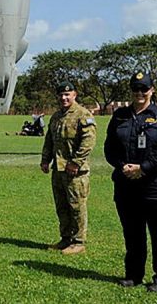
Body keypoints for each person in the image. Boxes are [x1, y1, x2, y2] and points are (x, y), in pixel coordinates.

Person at [104, 72, 157, 292]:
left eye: (144, 89)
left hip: (156, 185)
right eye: (135, 89)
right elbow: (109, 148)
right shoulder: (120, 116)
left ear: (152, 90)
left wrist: (143, 168)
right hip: (126, 184)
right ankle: (134, 275)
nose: (139, 93)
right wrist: (122, 166)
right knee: (133, 233)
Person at [40, 81, 96, 255]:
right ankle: (65, 238)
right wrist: (45, 160)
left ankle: (79, 241)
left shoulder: (82, 115)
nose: (64, 98)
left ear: (74, 95)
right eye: (61, 95)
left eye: (67, 94)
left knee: (77, 205)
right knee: (62, 205)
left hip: (75, 171)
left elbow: (88, 142)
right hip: (58, 168)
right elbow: (49, 140)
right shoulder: (56, 116)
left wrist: (75, 162)